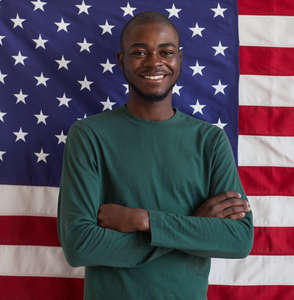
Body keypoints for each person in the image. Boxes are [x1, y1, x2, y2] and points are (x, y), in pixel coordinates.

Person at [57, 11, 253, 300]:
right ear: (122, 61)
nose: (154, 61)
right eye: (139, 52)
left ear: (179, 59)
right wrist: (193, 225)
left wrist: (144, 220)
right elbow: (80, 245)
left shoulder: (209, 140)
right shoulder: (89, 136)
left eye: (166, 52)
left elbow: (238, 240)